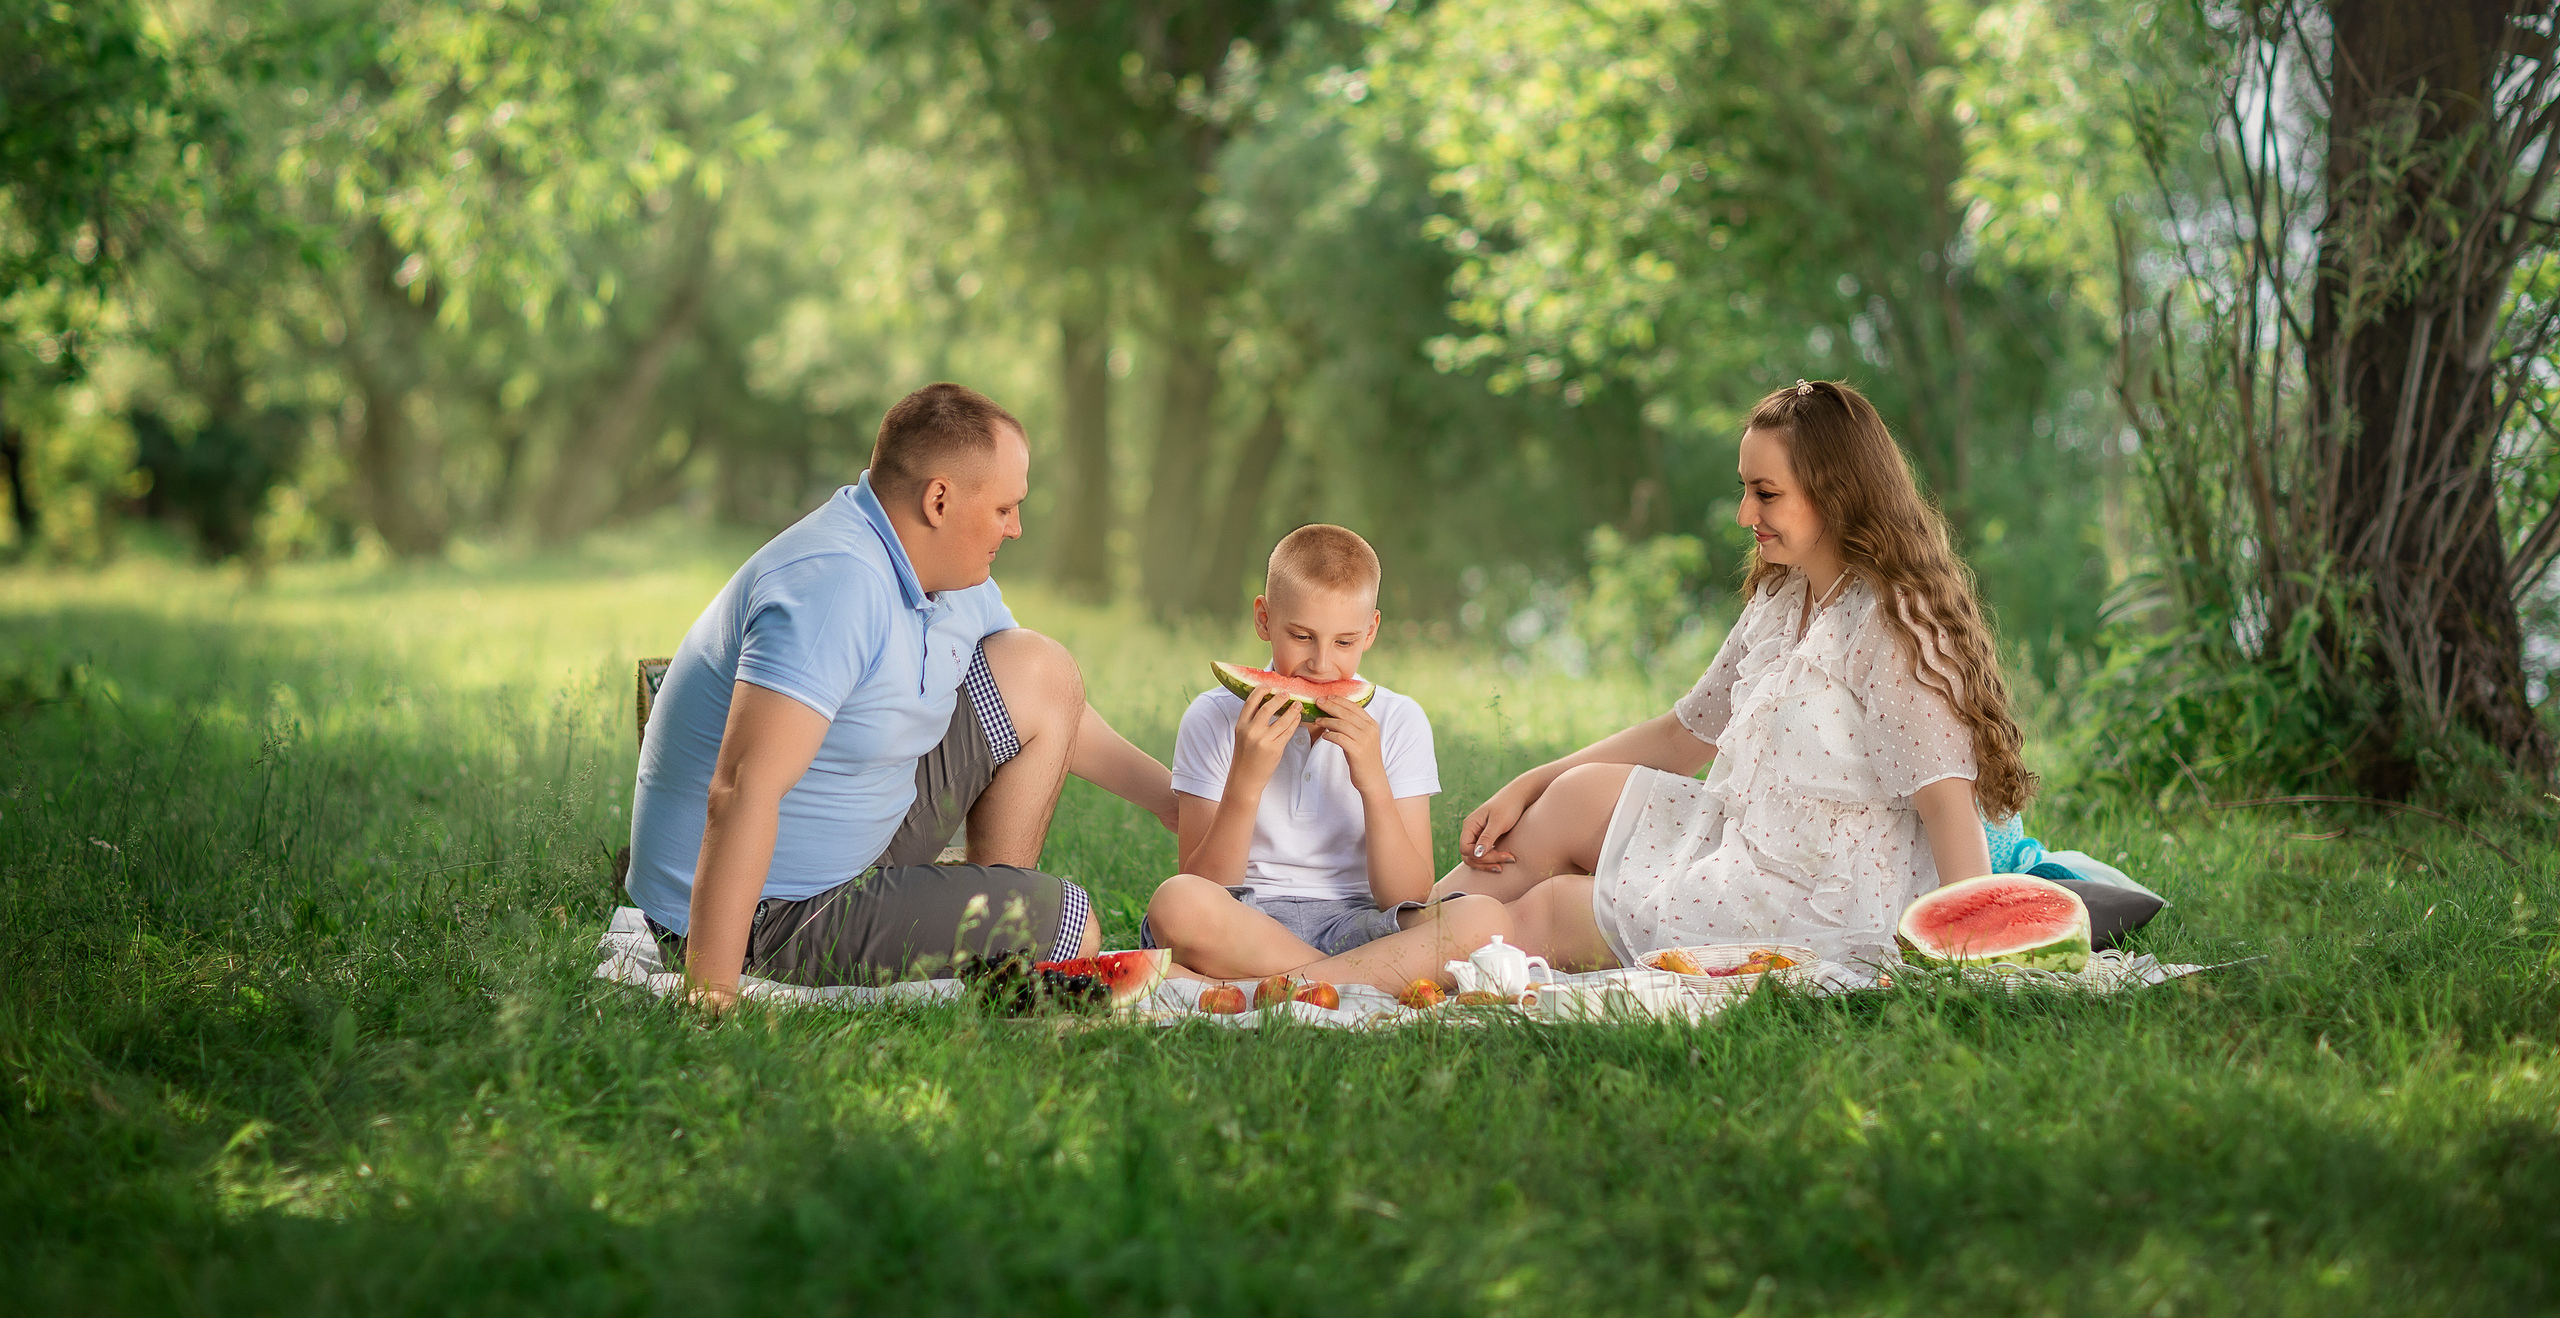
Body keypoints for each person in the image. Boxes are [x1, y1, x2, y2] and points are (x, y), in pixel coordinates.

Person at [1298, 379, 2025, 992]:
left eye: (1765, 493)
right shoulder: (1784, 599)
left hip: (1814, 901)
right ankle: (1385, 936)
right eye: (1746, 490)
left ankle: (1317, 974)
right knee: (1574, 796)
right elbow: (1684, 735)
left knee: (1547, 910)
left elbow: (1947, 806)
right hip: (1743, 837)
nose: (1745, 514)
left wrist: (1968, 968)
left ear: (1834, 494)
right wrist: (1528, 781)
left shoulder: (1893, 627)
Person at [623, 382, 1175, 1007]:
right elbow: (741, 788)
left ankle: (982, 914)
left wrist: (1173, 801)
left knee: (1042, 668)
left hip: (861, 843)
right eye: (1003, 509)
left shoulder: (947, 572)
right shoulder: (834, 585)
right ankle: (992, 943)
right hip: (761, 908)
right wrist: (712, 990)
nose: (1016, 529)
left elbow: (1053, 706)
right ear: (939, 499)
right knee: (1068, 921)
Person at [1143, 525, 1442, 979]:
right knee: (1177, 902)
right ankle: (1357, 981)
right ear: (1264, 619)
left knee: (1484, 917)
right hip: (1246, 922)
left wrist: (1373, 784)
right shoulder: (1212, 717)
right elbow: (1204, 886)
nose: (1321, 665)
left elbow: (1409, 896)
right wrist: (1245, 782)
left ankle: (1285, 983)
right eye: (1302, 636)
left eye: (1344, 642)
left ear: (1371, 631)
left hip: (1357, 922)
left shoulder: (1401, 720)